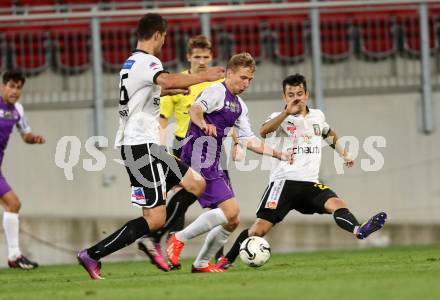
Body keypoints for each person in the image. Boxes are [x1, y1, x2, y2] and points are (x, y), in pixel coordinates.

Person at [77, 13, 224, 280]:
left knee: (195, 183)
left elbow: (146, 92)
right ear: (158, 34)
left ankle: (155, 230)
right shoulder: (148, 61)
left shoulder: (130, 63)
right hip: (139, 147)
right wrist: (205, 77)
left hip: (147, 147)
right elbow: (166, 79)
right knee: (155, 218)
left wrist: (168, 93)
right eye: (164, 37)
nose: (164, 42)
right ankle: (94, 254)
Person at [216, 73, 388, 270]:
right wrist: (286, 113)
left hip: (310, 183)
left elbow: (328, 133)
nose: (296, 98)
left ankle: (358, 230)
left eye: (299, 93)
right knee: (258, 231)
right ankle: (225, 261)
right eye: (290, 94)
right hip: (283, 183)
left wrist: (344, 153)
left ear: (306, 94)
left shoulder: (317, 116)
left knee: (338, 204)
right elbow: (264, 131)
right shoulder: (278, 118)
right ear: (284, 97)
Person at [166, 53, 294, 273]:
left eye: (250, 80)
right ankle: (178, 238)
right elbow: (195, 109)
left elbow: (249, 139)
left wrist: (278, 154)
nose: (246, 83)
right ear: (230, 73)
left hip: (213, 160)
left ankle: (201, 263)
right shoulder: (216, 91)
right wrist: (203, 123)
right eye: (243, 78)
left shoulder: (240, 106)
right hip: (198, 155)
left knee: (232, 220)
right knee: (231, 210)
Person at [137, 35, 225, 271]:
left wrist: (237, 141)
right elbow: (163, 118)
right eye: (197, 56)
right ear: (189, 57)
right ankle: (169, 246)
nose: (202, 61)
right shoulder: (179, 83)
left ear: (212, 56)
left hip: (212, 146)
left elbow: (228, 115)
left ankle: (204, 253)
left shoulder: (218, 83)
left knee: (214, 199)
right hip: (182, 145)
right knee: (197, 197)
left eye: (206, 57)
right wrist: (160, 145)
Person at [0, 70, 45, 269]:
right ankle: (14, 255)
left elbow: (25, 134)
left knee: (13, 205)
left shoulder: (17, 109)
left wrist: (34, 139)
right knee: (13, 204)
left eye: (19, 88)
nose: (15, 91)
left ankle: (14, 256)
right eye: (11, 86)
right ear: (2, 86)